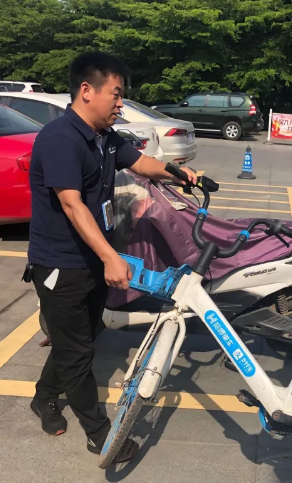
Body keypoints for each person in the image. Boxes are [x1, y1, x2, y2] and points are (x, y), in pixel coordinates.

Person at [25, 51, 197, 462]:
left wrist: (180, 173)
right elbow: (72, 205)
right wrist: (110, 257)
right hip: (60, 264)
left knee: (82, 337)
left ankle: (44, 395)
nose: (120, 103)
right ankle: (100, 434)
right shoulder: (61, 139)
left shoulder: (103, 136)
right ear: (87, 91)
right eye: (116, 94)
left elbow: (142, 163)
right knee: (77, 351)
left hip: (90, 259)